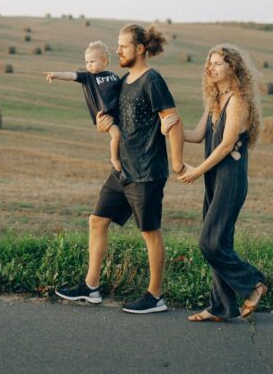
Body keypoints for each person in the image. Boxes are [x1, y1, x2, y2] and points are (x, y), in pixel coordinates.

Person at [55, 24, 186, 314]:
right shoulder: (125, 81)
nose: (117, 51)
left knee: (150, 232)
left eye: (123, 46)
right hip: (123, 170)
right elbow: (117, 121)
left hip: (147, 171)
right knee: (96, 220)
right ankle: (91, 287)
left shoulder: (153, 80)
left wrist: (177, 164)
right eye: (117, 45)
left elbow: (173, 121)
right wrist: (106, 126)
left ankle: (155, 296)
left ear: (140, 49)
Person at [163, 44, 268, 321]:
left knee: (209, 243)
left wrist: (196, 171)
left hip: (230, 180)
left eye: (217, 63)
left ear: (232, 67)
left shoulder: (238, 100)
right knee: (221, 243)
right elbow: (197, 135)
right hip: (214, 178)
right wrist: (170, 128)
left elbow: (224, 146)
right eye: (209, 63)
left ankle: (254, 283)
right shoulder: (215, 101)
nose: (210, 68)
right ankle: (221, 307)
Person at [45, 40, 123, 174]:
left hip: (118, 113)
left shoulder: (114, 76)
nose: (89, 65)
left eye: (92, 61)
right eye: (87, 62)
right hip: (105, 116)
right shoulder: (88, 77)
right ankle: (114, 158)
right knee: (116, 135)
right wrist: (55, 74)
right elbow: (71, 75)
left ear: (104, 61)